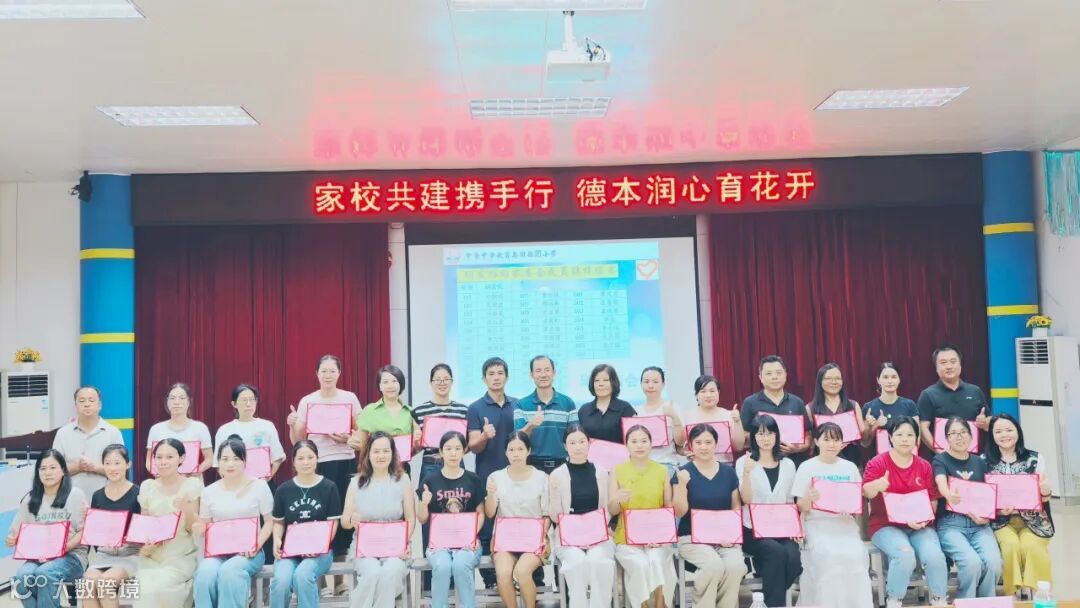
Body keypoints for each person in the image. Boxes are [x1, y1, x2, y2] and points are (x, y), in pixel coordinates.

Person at [863, 416, 949, 608]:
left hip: (920, 526)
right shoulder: (877, 463)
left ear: (916, 439)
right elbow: (866, 492)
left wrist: (925, 520)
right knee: (905, 555)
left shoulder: (924, 466)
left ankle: (939, 599)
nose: (904, 439)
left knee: (935, 556)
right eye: (899, 434)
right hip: (885, 526)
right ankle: (894, 600)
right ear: (890, 437)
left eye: (910, 435)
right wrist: (876, 485)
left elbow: (932, 499)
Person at [286, 354, 362, 560]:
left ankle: (340, 570)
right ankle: (318, 567)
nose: (328, 375)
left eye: (332, 371)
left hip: (345, 461)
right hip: (318, 463)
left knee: (344, 511)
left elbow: (362, 432)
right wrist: (293, 424)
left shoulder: (349, 398)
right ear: (317, 374)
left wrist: (347, 438)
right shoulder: (308, 401)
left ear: (339, 373)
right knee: (320, 512)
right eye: (324, 371)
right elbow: (298, 441)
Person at [792, 422, 873, 608]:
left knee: (855, 556)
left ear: (842, 443)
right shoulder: (806, 467)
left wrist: (849, 507)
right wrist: (810, 499)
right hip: (816, 524)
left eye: (836, 440)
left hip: (844, 524)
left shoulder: (849, 467)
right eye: (826, 439)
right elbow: (800, 506)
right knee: (830, 556)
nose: (831, 444)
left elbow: (856, 501)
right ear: (816, 441)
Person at [193, 435, 275, 608]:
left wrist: (256, 545)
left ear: (244, 461)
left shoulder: (259, 486)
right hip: (218, 552)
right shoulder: (208, 492)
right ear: (218, 462)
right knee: (204, 574)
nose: (230, 464)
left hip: (249, 552)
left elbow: (269, 522)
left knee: (229, 572)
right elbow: (205, 525)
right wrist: (198, 527)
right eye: (225, 459)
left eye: (236, 459)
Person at [672, 425, 746, 608]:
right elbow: (679, 512)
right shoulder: (683, 473)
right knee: (713, 565)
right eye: (698, 443)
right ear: (691, 445)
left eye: (708, 442)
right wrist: (681, 485)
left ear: (716, 444)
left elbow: (735, 506)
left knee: (736, 566)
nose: (703, 447)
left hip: (724, 538)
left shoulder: (728, 472)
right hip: (691, 538)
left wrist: (731, 536)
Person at [6, 449, 89, 608]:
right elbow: (16, 532)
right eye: (43, 468)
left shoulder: (76, 495)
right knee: (22, 578)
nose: (47, 472)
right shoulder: (30, 499)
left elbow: (85, 531)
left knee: (44, 574)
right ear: (37, 473)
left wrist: (62, 549)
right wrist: (12, 539)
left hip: (71, 556)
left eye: (52, 467)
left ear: (63, 471)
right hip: (38, 557)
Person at [341, 432, 415, 608]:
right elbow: (344, 521)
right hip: (365, 548)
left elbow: (411, 518)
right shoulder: (356, 482)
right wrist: (352, 520)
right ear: (368, 454)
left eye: (386, 451)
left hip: (395, 547)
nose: (381, 456)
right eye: (376, 451)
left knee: (392, 571)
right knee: (372, 572)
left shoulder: (403, 480)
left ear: (393, 453)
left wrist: (404, 543)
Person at [983, 414, 1054, 596]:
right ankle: (1011, 593)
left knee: (1031, 546)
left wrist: (1046, 491)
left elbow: (1045, 496)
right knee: (1010, 545)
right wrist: (998, 510)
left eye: (1009, 430)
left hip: (1034, 521)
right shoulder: (983, 461)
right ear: (992, 435)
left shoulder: (1035, 458)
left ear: (1018, 432)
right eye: (998, 431)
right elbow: (981, 499)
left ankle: (1040, 594)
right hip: (1000, 521)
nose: (1004, 435)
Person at [932, 416, 1002, 598]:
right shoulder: (940, 460)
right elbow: (940, 481)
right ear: (946, 438)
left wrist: (987, 517)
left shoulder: (980, 462)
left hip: (979, 525)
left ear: (971, 436)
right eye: (953, 433)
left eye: (963, 432)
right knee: (972, 563)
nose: (959, 437)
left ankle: (986, 600)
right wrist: (948, 493)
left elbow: (988, 495)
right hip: (951, 524)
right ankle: (966, 600)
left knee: (994, 562)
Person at [735, 415, 800, 608]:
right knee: (776, 553)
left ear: (777, 435)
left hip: (782, 528)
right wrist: (747, 473)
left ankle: (764, 596)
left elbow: (790, 500)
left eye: (770, 433)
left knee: (794, 559)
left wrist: (795, 528)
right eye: (761, 434)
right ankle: (775, 604)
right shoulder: (744, 462)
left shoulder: (788, 464)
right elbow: (746, 499)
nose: (766, 438)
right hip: (753, 530)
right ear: (753, 437)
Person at [269, 440, 343, 608]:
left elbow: (333, 523)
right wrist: (277, 540)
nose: (306, 462)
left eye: (310, 457)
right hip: (290, 551)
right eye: (301, 458)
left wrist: (319, 547)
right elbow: (279, 522)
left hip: (320, 552)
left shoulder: (329, 487)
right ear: (294, 462)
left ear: (317, 459)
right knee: (281, 581)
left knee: (303, 575)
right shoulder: (283, 490)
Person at [417, 431, 486, 608]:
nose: (453, 453)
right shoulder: (429, 481)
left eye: (457, 448)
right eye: (448, 449)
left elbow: (481, 513)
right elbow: (422, 519)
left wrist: (471, 537)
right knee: (442, 566)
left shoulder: (473, 479)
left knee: (461, 565)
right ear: (441, 451)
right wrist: (424, 503)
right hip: (439, 543)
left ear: (464, 451)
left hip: (468, 542)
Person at [610, 425, 676, 608]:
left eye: (644, 441)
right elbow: (612, 510)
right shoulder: (617, 470)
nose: (639, 445)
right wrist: (616, 499)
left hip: (658, 537)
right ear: (626, 445)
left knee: (656, 560)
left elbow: (668, 506)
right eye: (634, 441)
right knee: (640, 564)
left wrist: (662, 538)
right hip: (627, 538)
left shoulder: (662, 471)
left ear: (651, 444)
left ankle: (661, 604)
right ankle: (643, 605)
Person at [549, 425, 615, 608]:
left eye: (581, 442)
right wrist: (576, 532)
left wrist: (594, 531)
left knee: (599, 562)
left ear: (589, 443)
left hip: (598, 535)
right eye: (572, 443)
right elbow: (555, 515)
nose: (578, 447)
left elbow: (607, 508)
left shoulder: (601, 472)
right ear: (565, 446)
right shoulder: (557, 475)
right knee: (577, 563)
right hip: (568, 537)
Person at [466, 356, 517, 588]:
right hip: (487, 474)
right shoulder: (475, 408)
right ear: (484, 379)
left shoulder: (518, 405)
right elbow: (473, 446)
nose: (496, 378)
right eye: (491, 374)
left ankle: (517, 577)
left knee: (516, 524)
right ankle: (490, 580)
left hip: (515, 475)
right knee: (488, 528)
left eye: (500, 373)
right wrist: (484, 436)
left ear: (507, 376)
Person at [133, 439, 202, 608]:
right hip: (153, 556)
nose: (163, 462)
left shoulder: (191, 485)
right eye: (159, 457)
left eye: (169, 457)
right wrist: (146, 545)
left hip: (180, 555)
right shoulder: (147, 486)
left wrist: (186, 509)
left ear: (181, 458)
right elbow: (145, 525)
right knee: (144, 588)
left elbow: (192, 529)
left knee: (162, 586)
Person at [485, 431, 550, 608]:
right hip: (505, 540)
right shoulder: (495, 477)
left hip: (535, 539)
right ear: (505, 452)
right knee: (503, 574)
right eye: (511, 450)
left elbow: (546, 515)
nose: (516, 454)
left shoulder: (542, 478)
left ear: (529, 451)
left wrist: (542, 536)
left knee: (522, 572)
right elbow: (490, 513)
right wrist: (490, 494)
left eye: (520, 449)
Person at [83, 444, 141, 608]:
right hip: (104, 554)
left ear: (128, 464)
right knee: (88, 583)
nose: (112, 468)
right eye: (107, 463)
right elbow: (95, 535)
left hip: (130, 554)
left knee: (105, 583)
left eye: (117, 463)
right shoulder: (97, 495)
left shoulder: (138, 493)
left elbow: (142, 531)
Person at [52, 386, 124, 497]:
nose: (87, 404)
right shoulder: (62, 433)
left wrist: (94, 467)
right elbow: (53, 470)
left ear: (100, 405)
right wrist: (78, 467)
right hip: (69, 499)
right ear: (75, 405)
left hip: (107, 499)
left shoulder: (113, 432)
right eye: (82, 401)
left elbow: (121, 470)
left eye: (91, 400)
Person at [739, 356, 811, 462]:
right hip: (761, 462)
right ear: (760, 377)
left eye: (778, 373)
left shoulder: (797, 402)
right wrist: (764, 436)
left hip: (794, 461)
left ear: (785, 375)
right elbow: (743, 436)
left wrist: (798, 448)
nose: (774, 377)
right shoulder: (750, 403)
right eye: (769, 374)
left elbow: (808, 434)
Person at [917, 346, 990, 452]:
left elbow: (989, 422)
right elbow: (923, 428)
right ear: (936, 368)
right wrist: (941, 453)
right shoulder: (928, 394)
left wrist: (984, 423)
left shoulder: (975, 391)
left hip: (973, 456)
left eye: (953, 361)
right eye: (943, 362)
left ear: (960, 365)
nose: (949, 366)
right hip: (943, 456)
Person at [514, 355, 578, 475]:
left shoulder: (568, 403)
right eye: (538, 371)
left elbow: (575, 437)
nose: (543, 375)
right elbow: (517, 440)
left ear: (554, 372)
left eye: (547, 370)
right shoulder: (521, 404)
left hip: (562, 466)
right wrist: (531, 425)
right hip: (531, 466)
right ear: (531, 375)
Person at [411, 363, 469, 487]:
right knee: (428, 498)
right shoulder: (419, 412)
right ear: (430, 382)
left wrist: (455, 452)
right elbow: (417, 448)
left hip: (456, 464)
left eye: (446, 379)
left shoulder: (463, 410)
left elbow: (467, 445)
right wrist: (416, 441)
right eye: (437, 379)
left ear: (452, 382)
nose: (442, 383)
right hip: (431, 465)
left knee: (459, 498)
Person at [214, 384, 286, 479]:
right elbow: (218, 463)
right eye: (244, 400)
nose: (248, 404)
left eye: (252, 399)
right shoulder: (224, 430)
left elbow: (277, 457)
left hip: (262, 481)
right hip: (235, 483)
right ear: (234, 404)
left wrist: (267, 479)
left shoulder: (267, 426)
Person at [145, 383, 214, 478]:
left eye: (181, 398)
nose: (176, 402)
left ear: (189, 401)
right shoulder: (156, 429)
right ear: (167, 402)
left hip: (191, 482)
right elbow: (149, 460)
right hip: (164, 481)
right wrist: (157, 472)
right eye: (172, 398)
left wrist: (196, 471)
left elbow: (210, 459)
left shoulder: (200, 428)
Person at [806, 363, 866, 465]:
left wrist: (869, 426)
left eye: (837, 378)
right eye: (828, 378)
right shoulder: (810, 408)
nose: (834, 382)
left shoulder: (853, 405)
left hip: (851, 459)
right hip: (823, 462)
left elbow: (864, 436)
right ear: (820, 381)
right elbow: (809, 440)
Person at [349, 365, 414, 452]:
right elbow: (361, 444)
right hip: (376, 460)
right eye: (385, 382)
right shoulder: (369, 410)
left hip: (402, 460)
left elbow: (415, 446)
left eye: (394, 381)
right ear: (380, 386)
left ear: (400, 384)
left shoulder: (411, 412)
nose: (390, 386)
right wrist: (353, 443)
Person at [683, 375, 745, 465]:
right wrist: (687, 453)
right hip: (697, 465)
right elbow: (681, 447)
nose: (708, 395)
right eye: (703, 391)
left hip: (724, 465)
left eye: (712, 391)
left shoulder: (729, 415)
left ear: (718, 392)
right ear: (696, 395)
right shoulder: (687, 416)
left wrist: (737, 421)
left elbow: (739, 447)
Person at [636, 366, 687, 474]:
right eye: (646, 382)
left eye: (655, 382)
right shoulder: (636, 412)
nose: (650, 386)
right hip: (641, 466)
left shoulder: (672, 407)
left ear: (663, 385)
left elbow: (680, 442)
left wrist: (674, 417)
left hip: (667, 464)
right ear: (641, 384)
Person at [861, 363, 920, 454]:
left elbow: (917, 439)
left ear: (899, 379)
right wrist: (875, 426)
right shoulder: (869, 407)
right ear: (878, 380)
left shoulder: (909, 405)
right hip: (878, 460)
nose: (890, 381)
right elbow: (865, 443)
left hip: (904, 458)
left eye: (893, 377)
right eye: (885, 377)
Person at [577, 364, 637, 444]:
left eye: (606, 380)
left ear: (613, 382)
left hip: (618, 452)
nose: (601, 384)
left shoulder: (625, 408)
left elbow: (634, 438)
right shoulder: (584, 410)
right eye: (596, 380)